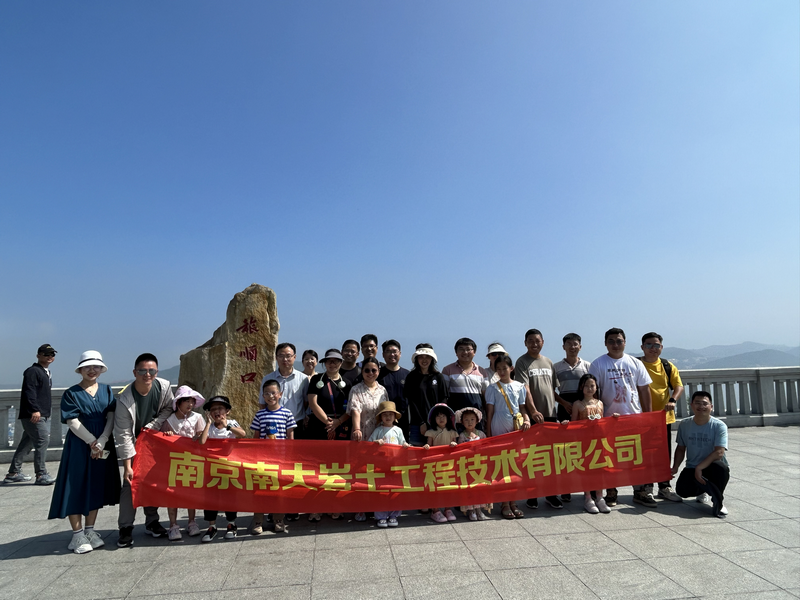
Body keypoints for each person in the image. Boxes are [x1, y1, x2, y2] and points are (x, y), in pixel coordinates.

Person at [48, 351, 121, 554]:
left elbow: (111, 417)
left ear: (101, 369)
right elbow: (72, 421)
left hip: (102, 442)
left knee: (95, 485)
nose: (92, 370)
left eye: (96, 366)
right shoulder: (72, 393)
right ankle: (77, 534)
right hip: (80, 444)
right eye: (87, 367)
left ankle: (90, 530)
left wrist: (103, 441)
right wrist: (92, 442)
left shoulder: (106, 390)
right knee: (76, 485)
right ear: (80, 370)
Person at [114, 352, 174, 547]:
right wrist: (127, 466)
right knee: (130, 484)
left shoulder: (163, 387)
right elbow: (123, 434)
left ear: (157, 372)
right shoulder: (124, 398)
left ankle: (152, 522)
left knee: (152, 481)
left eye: (151, 371)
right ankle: (125, 527)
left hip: (153, 443)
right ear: (134, 372)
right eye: (142, 371)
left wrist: (151, 427)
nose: (147, 375)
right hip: (133, 443)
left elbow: (168, 409)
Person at [589, 328, 653, 507]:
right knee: (610, 456)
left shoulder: (635, 363)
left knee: (637, 457)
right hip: (609, 419)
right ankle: (611, 491)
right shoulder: (598, 364)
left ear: (625, 342)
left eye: (619, 341)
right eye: (611, 341)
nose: (615, 344)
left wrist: (648, 416)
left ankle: (640, 491)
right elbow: (594, 392)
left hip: (634, 417)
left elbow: (644, 389)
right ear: (605, 343)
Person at [514, 329, 564, 509]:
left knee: (550, 456)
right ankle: (532, 494)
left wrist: (564, 403)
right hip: (533, 417)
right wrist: (533, 410)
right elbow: (524, 388)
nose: (534, 344)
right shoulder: (522, 362)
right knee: (532, 456)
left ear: (543, 342)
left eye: (537, 340)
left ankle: (551, 494)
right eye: (530, 341)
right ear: (525, 343)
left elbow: (552, 389)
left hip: (550, 415)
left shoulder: (548, 362)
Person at [485, 356, 536, 519]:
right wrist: (488, 434)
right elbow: (489, 412)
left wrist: (527, 419)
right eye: (498, 369)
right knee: (501, 466)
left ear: (511, 368)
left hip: (516, 427)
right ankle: (504, 503)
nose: (501, 371)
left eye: (504, 368)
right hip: (498, 426)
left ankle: (513, 502)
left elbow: (522, 408)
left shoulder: (520, 386)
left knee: (515, 465)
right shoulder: (492, 388)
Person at [307, 348, 352, 522]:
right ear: (324, 363)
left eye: (336, 361)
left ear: (341, 363)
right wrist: (328, 422)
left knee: (337, 468)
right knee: (317, 468)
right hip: (319, 427)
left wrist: (338, 422)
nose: (332, 364)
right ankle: (316, 507)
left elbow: (351, 408)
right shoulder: (316, 380)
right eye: (329, 361)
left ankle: (335, 505)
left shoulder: (347, 383)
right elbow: (313, 403)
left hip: (341, 427)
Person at [639, 332, 685, 503]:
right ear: (642, 347)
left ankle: (664, 486)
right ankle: (646, 487)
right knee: (644, 454)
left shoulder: (667, 366)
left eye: (656, 345)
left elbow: (678, 386)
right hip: (641, 419)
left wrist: (673, 400)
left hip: (663, 418)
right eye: (649, 345)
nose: (653, 348)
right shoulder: (636, 364)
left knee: (664, 454)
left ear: (661, 347)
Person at [672, 391, 730, 518]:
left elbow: (719, 452)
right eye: (697, 403)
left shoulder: (719, 426)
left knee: (721, 468)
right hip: (692, 467)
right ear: (691, 405)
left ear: (711, 407)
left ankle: (718, 501)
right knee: (682, 490)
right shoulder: (685, 424)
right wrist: (675, 467)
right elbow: (681, 448)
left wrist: (700, 468)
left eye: (705, 403)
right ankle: (702, 491)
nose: (701, 406)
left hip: (713, 467)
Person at [6, 343, 58, 485]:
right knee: (42, 440)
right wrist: (34, 409)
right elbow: (29, 391)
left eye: (52, 354)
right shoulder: (33, 371)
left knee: (27, 443)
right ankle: (41, 475)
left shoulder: (45, 372)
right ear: (38, 355)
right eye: (46, 354)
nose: (49, 356)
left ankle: (13, 473)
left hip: (40, 414)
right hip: (34, 414)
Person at [250, 379, 296, 534]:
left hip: (280, 459)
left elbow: (291, 437)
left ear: (280, 394)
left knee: (278, 490)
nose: (271, 396)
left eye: (273, 393)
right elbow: (256, 437)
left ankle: (278, 519)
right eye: (267, 393)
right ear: (263, 396)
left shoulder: (287, 413)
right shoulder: (260, 414)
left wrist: (290, 457)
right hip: (263, 459)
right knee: (260, 490)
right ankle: (258, 521)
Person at [198, 395, 246, 542]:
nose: (217, 412)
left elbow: (242, 434)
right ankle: (212, 526)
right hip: (212, 468)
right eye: (213, 409)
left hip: (229, 467)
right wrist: (208, 423)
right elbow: (202, 441)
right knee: (210, 497)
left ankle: (231, 524)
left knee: (229, 496)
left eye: (220, 408)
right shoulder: (210, 427)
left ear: (227, 411)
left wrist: (227, 426)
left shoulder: (231, 423)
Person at [161, 386, 206, 540]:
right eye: (187, 401)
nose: (190, 404)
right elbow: (162, 441)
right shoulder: (169, 420)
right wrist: (167, 435)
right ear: (178, 402)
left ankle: (192, 522)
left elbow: (203, 438)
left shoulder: (197, 418)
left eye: (192, 401)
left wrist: (200, 435)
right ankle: (173, 525)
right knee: (172, 493)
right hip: (174, 462)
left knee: (190, 493)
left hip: (192, 460)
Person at [348, 357, 389, 522]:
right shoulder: (356, 389)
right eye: (367, 370)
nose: (370, 373)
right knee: (360, 472)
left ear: (378, 371)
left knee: (377, 473)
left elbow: (386, 413)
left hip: (379, 438)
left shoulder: (383, 390)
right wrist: (357, 429)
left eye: (374, 370)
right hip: (362, 437)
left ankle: (376, 506)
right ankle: (360, 507)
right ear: (362, 371)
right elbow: (355, 410)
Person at [571, 374, 616, 514]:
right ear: (581, 387)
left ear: (596, 387)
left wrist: (614, 419)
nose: (589, 388)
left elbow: (603, 422)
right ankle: (588, 498)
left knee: (599, 469)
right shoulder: (577, 404)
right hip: (585, 442)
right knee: (587, 469)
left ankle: (600, 497)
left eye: (592, 386)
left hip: (599, 441)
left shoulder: (600, 403)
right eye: (586, 386)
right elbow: (573, 424)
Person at [368, 400, 410, 528]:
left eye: (390, 414)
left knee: (395, 490)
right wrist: (376, 443)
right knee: (381, 491)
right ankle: (381, 516)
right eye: (385, 414)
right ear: (380, 417)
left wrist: (405, 445)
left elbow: (403, 443)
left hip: (395, 466)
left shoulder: (398, 430)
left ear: (395, 416)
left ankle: (394, 515)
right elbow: (368, 444)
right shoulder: (378, 430)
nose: (388, 417)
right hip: (381, 467)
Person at [258, 343, 310, 440]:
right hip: (273, 425)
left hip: (296, 425)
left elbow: (306, 402)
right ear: (276, 358)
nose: (285, 359)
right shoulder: (267, 378)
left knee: (295, 449)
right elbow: (262, 403)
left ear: (294, 357)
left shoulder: (303, 379)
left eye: (288, 356)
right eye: (281, 356)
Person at [403, 344, 448, 447]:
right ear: (416, 359)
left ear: (432, 359)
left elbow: (443, 399)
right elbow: (411, 402)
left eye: (427, 357)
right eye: (421, 357)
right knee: (416, 453)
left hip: (436, 424)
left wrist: (437, 420)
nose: (424, 360)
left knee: (437, 453)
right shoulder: (411, 377)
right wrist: (421, 422)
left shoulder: (438, 376)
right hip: (417, 424)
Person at [423, 403, 459, 523]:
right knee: (436, 487)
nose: (441, 418)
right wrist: (427, 446)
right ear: (433, 419)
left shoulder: (452, 432)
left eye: (443, 416)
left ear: (448, 418)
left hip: (449, 464)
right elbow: (428, 445)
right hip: (435, 464)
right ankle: (435, 510)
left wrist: (454, 444)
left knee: (448, 486)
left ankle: (448, 509)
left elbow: (456, 447)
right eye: (438, 416)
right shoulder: (431, 432)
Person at [442, 337, 489, 426]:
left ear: (474, 352)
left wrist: (487, 419)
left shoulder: (482, 372)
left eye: (468, 349)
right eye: (461, 349)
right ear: (456, 352)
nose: (465, 352)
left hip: (476, 420)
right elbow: (444, 396)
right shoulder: (447, 370)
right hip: (455, 420)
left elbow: (485, 398)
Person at [455, 407, 489, 521]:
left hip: (479, 466)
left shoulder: (481, 434)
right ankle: (471, 510)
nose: (469, 422)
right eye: (466, 420)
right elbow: (459, 450)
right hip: (467, 466)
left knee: (479, 487)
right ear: (462, 422)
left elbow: (486, 447)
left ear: (477, 420)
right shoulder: (462, 436)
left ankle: (479, 509)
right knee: (469, 488)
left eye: (472, 419)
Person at [378, 339, 410, 439]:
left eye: (394, 351)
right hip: (383, 420)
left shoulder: (408, 375)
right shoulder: (378, 374)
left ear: (400, 353)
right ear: (383, 355)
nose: (392, 354)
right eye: (388, 351)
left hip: (404, 419)